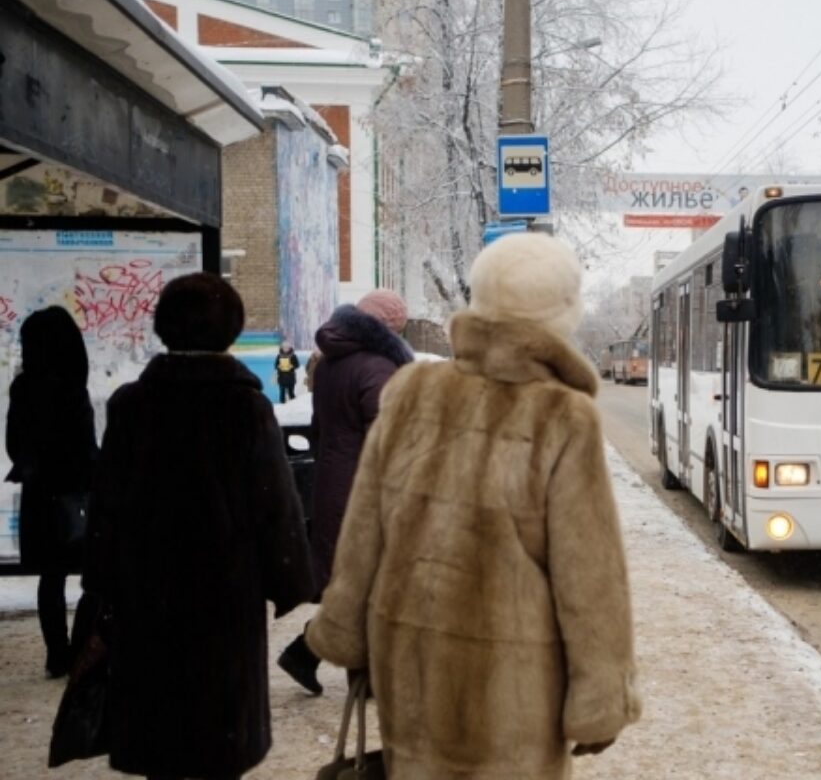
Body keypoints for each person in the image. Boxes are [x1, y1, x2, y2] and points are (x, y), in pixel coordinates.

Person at [306, 233, 641, 778]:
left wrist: (343, 627)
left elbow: (364, 529)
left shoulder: (412, 390)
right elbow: (589, 576)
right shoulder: (562, 417)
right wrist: (601, 696)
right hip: (513, 688)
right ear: (562, 314)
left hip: (410, 667)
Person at [82, 273, 314, 779]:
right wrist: (289, 579)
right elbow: (274, 503)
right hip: (224, 594)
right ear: (230, 330)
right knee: (218, 731)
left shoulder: (133, 406)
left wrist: (101, 583)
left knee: (159, 727)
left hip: (146, 590)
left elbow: (108, 505)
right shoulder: (245, 408)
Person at [277, 289, 413, 695]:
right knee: (375, 580)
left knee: (357, 580)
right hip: (368, 489)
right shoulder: (377, 368)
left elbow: (322, 428)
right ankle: (328, 659)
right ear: (389, 330)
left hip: (336, 482)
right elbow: (389, 435)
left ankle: (315, 656)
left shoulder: (333, 363)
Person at [4, 307, 97, 678]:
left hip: (41, 496)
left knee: (51, 577)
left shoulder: (24, 388)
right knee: (96, 578)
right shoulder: (74, 388)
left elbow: (15, 444)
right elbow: (85, 447)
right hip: (76, 496)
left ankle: (57, 655)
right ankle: (78, 651)